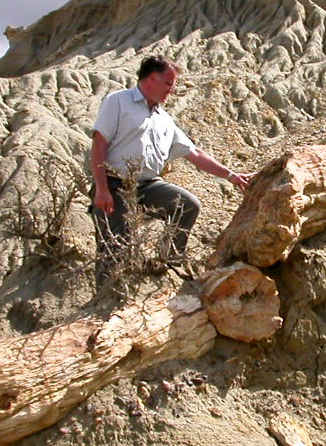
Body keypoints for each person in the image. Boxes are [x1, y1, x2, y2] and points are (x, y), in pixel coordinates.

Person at [90, 55, 252, 285]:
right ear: (151, 79)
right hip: (115, 185)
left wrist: (232, 176)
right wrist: (101, 189)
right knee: (114, 250)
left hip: (148, 185)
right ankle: (104, 304)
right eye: (168, 84)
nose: (171, 91)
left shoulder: (164, 119)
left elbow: (194, 154)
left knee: (187, 205)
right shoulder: (117, 101)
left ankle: (166, 264)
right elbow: (99, 144)